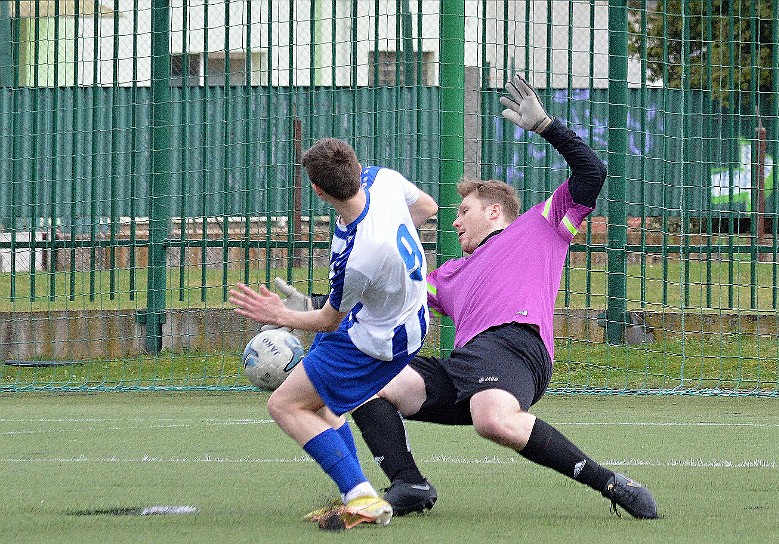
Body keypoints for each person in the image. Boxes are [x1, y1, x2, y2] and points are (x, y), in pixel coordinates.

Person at [349, 74, 659, 519]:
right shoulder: (448, 273)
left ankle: (613, 483)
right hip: (464, 364)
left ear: (494, 211)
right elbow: (389, 291)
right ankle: (409, 483)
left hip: (515, 346)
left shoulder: (542, 224)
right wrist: (322, 307)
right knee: (365, 381)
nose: (455, 223)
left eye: (464, 211)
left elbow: (593, 172)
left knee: (492, 420)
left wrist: (547, 126)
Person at [229, 137, 438, 530]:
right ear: (358, 168)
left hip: (377, 341)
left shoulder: (358, 255)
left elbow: (329, 321)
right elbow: (428, 207)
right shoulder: (384, 180)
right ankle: (355, 493)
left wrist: (280, 314)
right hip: (393, 318)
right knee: (319, 402)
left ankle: (361, 496)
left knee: (285, 405)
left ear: (318, 191)